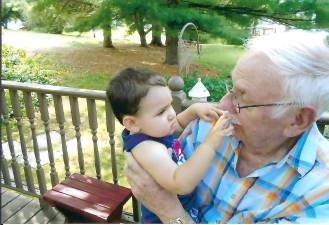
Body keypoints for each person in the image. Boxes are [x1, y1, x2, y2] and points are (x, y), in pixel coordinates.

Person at [124, 30, 329, 223]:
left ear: (298, 119)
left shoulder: (320, 194)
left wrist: (169, 213)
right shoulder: (206, 127)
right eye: (231, 88)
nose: (222, 106)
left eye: (241, 98)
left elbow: (161, 200)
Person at [106, 67, 236, 223]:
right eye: (161, 112)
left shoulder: (152, 130)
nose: (171, 114)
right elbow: (180, 183)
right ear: (132, 123)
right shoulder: (147, 148)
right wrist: (211, 142)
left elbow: (178, 123)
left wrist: (193, 110)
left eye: (170, 105)